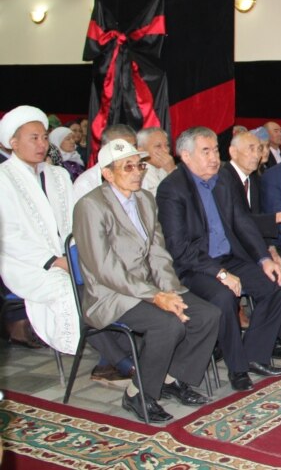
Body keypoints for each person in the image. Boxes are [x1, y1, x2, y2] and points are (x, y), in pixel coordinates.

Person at [73, 138, 220, 423]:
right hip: (111, 295)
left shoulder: (144, 199)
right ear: (107, 173)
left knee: (207, 315)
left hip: (148, 286)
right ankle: (138, 393)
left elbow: (157, 252)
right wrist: (155, 296)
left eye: (139, 165)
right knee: (167, 324)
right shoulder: (90, 206)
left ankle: (170, 377)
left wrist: (169, 290)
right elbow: (104, 268)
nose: (137, 172)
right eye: (127, 167)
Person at [156, 126, 281, 392]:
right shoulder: (172, 189)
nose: (214, 158)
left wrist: (264, 259)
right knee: (224, 297)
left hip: (229, 258)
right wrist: (220, 274)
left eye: (216, 151)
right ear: (186, 156)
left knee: (275, 282)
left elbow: (242, 222)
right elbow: (180, 248)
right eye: (206, 152)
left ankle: (254, 355)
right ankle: (237, 369)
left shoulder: (223, 180)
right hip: (196, 267)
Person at [221, 129, 281, 356]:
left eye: (259, 148)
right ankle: (267, 341)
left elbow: (256, 222)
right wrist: (279, 218)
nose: (257, 154)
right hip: (233, 253)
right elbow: (237, 222)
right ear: (233, 152)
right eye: (251, 149)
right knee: (274, 279)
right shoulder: (223, 180)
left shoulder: (252, 179)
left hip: (256, 248)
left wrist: (271, 249)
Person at [0, 106, 81, 354]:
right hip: (25, 262)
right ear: (13, 143)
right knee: (68, 289)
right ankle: (100, 354)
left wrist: (74, 255)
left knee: (104, 284)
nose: (42, 144)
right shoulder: (3, 178)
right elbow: (8, 236)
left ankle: (114, 357)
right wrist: (53, 261)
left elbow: (74, 220)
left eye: (44, 137)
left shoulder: (59, 174)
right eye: (33, 138)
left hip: (67, 256)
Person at [73, 124, 138, 200]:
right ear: (106, 149)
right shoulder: (86, 183)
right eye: (123, 148)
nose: (131, 152)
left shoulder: (140, 174)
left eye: (133, 147)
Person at [136, 127, 177, 195]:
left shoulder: (168, 166)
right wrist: (172, 172)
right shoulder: (139, 174)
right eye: (158, 146)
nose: (165, 150)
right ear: (141, 150)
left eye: (167, 145)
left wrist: (172, 170)